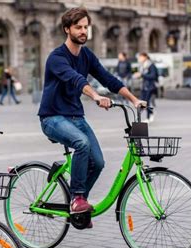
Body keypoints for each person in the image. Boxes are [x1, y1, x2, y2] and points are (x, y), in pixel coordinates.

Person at [38, 7, 145, 226]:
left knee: (98, 163)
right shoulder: (56, 57)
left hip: (75, 117)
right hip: (52, 117)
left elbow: (108, 79)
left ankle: (78, 206)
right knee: (82, 143)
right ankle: (77, 198)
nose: (83, 31)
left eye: (86, 27)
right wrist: (95, 96)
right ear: (67, 29)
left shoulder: (86, 55)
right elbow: (75, 79)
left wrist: (133, 99)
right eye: (78, 27)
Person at [134, 52, 158, 123]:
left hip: (150, 87)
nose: (139, 59)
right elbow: (144, 76)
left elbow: (153, 76)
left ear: (145, 57)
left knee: (146, 102)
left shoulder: (151, 65)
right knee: (143, 102)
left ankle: (148, 117)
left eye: (140, 57)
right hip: (144, 86)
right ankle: (148, 114)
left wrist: (141, 74)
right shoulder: (143, 66)